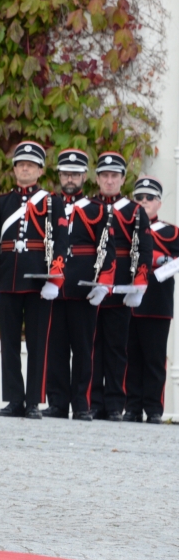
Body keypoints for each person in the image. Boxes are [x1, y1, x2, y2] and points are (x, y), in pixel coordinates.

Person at [0, 141, 52, 419]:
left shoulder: (50, 202)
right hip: (8, 281)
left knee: (37, 344)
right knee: (9, 343)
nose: (25, 169)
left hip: (38, 282)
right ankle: (14, 399)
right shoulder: (1, 203)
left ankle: (34, 401)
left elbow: (58, 244)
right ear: (14, 170)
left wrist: (54, 280)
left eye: (31, 165)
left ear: (40, 170)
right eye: (21, 164)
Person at [87, 152, 151, 421]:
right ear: (98, 178)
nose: (109, 180)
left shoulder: (135, 211)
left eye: (114, 176)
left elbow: (144, 249)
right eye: (105, 175)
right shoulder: (88, 206)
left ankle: (114, 404)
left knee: (116, 347)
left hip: (121, 286)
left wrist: (140, 283)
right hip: (91, 284)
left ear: (123, 179)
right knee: (91, 346)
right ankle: (92, 402)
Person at [42, 148, 89, 418]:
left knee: (83, 348)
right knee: (56, 347)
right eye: (65, 173)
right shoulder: (48, 205)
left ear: (84, 176)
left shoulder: (95, 207)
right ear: (58, 175)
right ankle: (58, 403)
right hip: (55, 286)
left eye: (75, 173)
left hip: (82, 286)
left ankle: (81, 404)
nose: (69, 178)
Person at [124, 176, 175, 424]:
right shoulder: (125, 227)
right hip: (127, 302)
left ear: (159, 203)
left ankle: (153, 408)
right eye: (139, 198)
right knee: (129, 356)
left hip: (156, 302)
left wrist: (160, 261)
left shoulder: (170, 231)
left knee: (154, 358)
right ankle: (132, 407)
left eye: (149, 198)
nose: (144, 202)